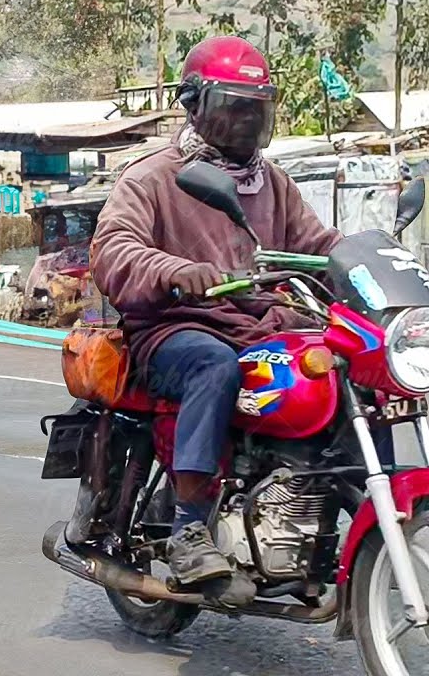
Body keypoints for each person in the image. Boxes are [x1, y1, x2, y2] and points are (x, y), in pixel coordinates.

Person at [87, 36, 343, 589]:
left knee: (346, 368)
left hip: (259, 325)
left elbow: (317, 246)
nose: (247, 121)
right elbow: (113, 250)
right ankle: (187, 530)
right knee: (213, 365)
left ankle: (315, 506)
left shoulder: (271, 182)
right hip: (175, 329)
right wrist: (173, 270)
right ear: (195, 105)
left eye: (257, 107)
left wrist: (361, 267)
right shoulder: (154, 176)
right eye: (234, 106)